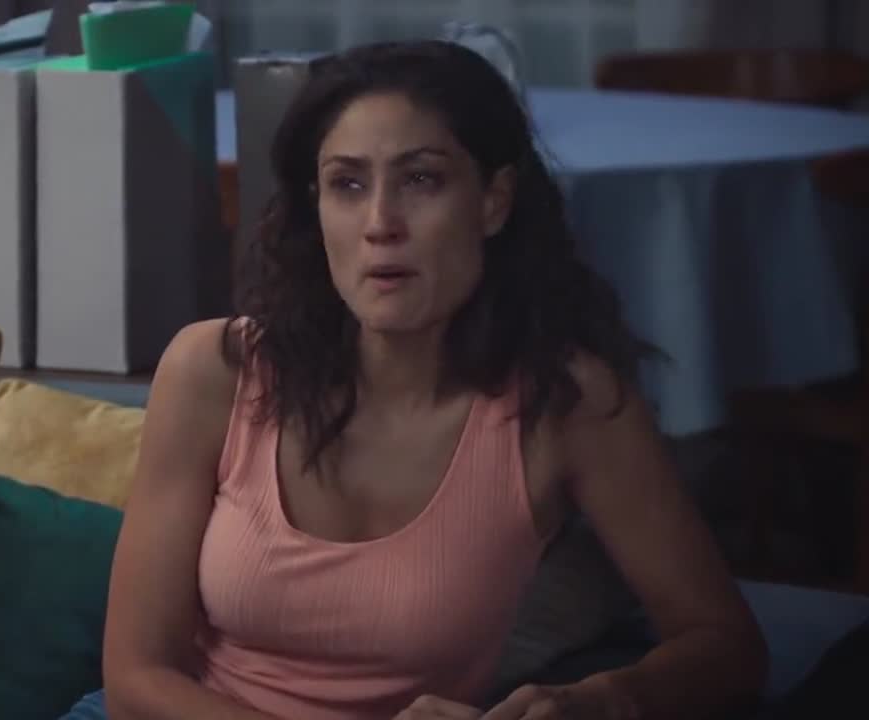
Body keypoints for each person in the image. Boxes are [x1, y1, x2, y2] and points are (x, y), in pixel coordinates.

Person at [90, 40, 767, 720]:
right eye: (348, 184)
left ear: (494, 201)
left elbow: (728, 646)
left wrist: (600, 699)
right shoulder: (216, 371)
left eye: (421, 180)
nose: (381, 224)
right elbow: (134, 682)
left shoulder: (565, 402)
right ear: (316, 207)